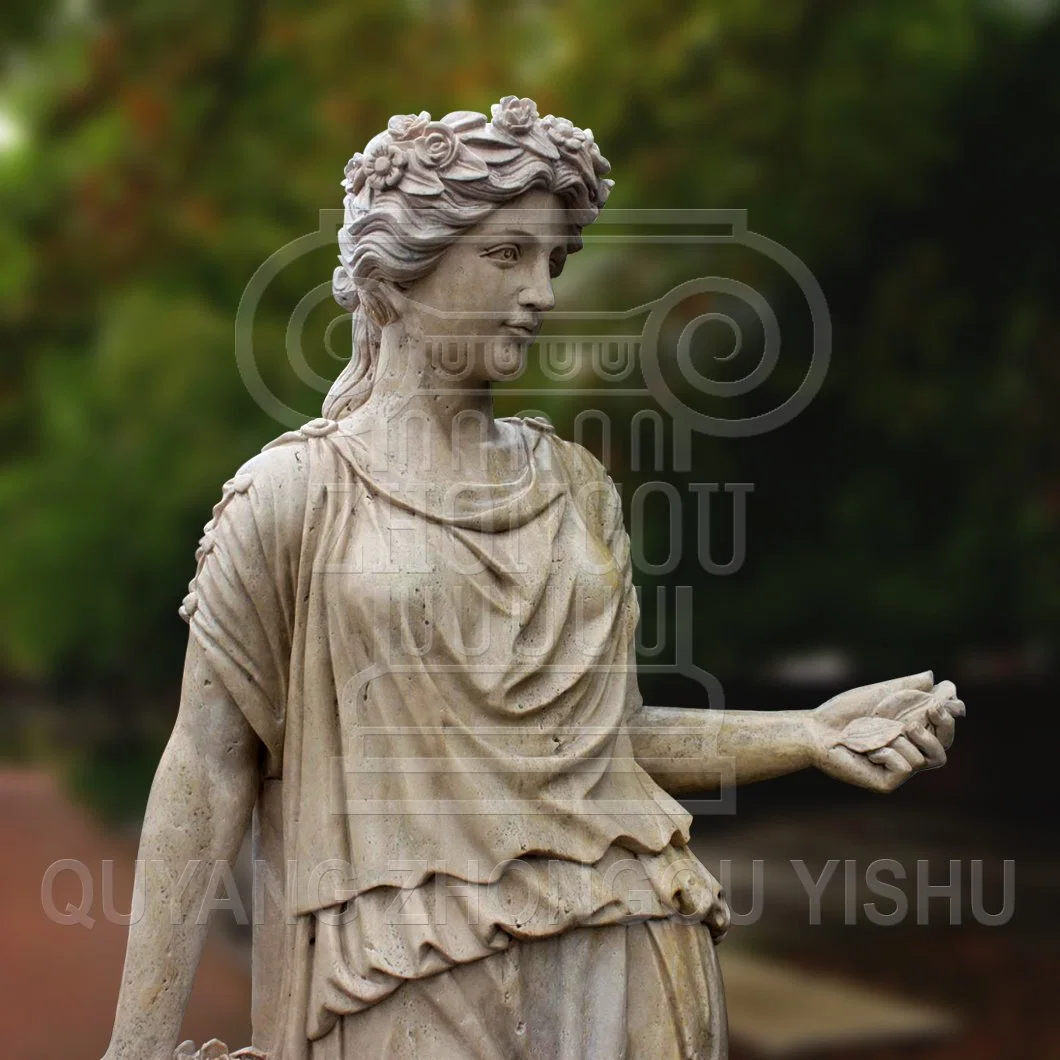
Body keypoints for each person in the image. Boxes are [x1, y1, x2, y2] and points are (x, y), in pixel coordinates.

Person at [102, 97, 963, 1060]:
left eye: (553, 260)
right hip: (406, 968)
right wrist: (136, 1046)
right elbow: (208, 769)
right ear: (401, 265)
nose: (541, 293)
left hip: (634, 940)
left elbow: (607, 742)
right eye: (506, 254)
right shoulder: (293, 497)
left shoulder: (577, 488)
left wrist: (805, 733)